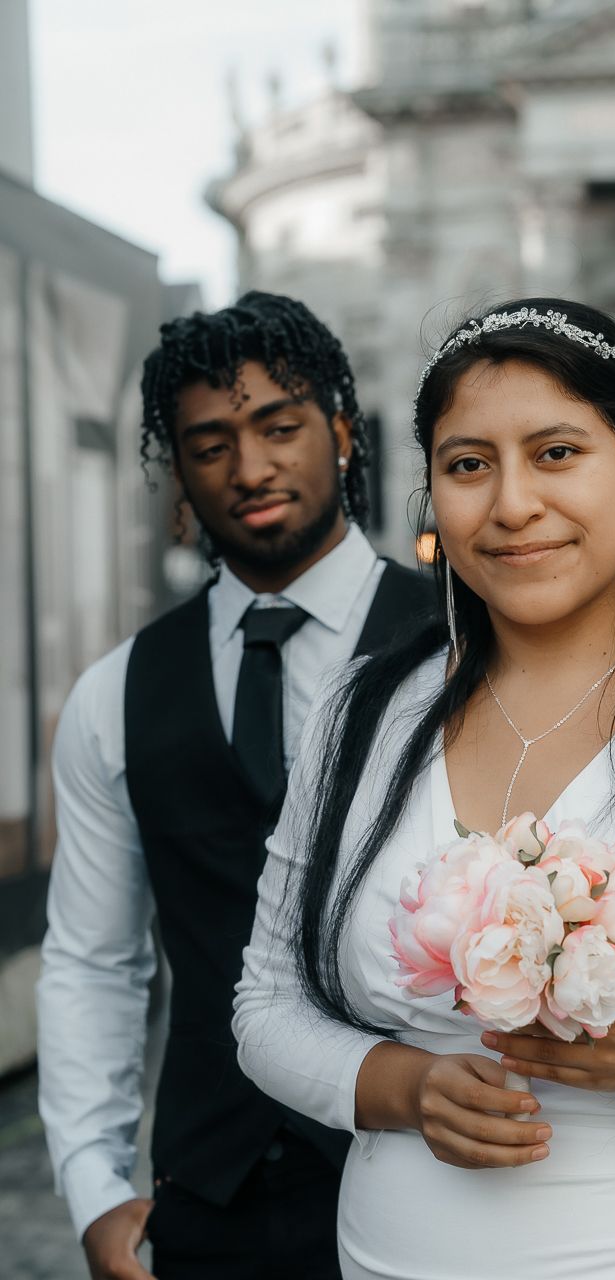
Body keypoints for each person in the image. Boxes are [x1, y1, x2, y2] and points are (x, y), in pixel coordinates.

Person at [234, 298, 615, 1280]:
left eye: (557, 451)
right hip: (403, 1252)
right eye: (468, 464)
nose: (511, 503)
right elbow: (266, 1003)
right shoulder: (363, 713)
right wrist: (400, 1083)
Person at [37, 292, 432, 1280]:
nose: (249, 468)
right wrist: (92, 1184)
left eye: (278, 426)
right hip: (214, 1205)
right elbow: (93, 958)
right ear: (178, 473)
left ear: (341, 432)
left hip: (437, 1179)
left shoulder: (465, 640)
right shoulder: (114, 693)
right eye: (209, 443)